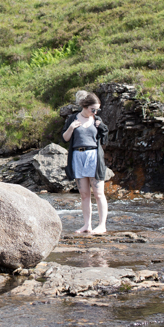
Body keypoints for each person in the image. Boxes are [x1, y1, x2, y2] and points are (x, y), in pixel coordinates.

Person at [62, 91, 109, 234]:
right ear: (85, 106)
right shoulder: (72, 118)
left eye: (97, 109)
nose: (95, 112)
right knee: (84, 194)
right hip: (78, 156)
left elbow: (105, 139)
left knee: (99, 193)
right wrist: (71, 127)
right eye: (93, 109)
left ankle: (102, 225)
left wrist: (101, 127)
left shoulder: (97, 119)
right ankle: (87, 225)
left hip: (94, 156)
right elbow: (65, 138)